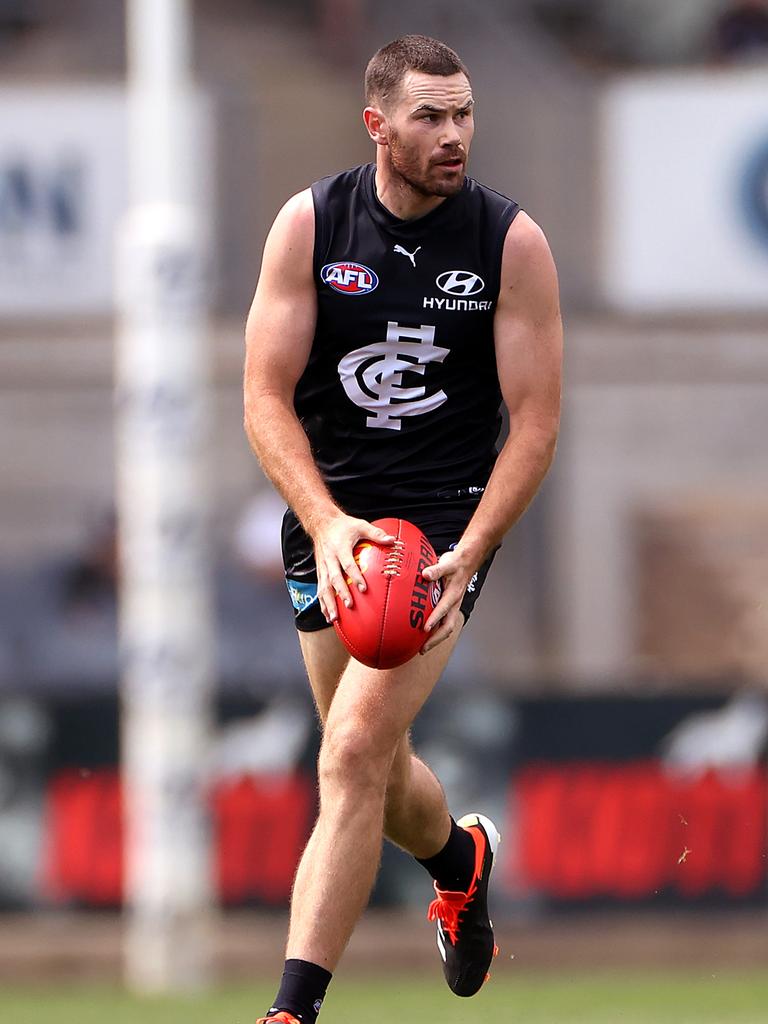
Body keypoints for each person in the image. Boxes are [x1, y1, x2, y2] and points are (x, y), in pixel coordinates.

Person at [243, 34, 562, 1024]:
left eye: (464, 114)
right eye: (430, 116)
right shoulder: (310, 225)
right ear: (378, 125)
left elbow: (537, 422)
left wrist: (471, 549)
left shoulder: (510, 243)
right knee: (377, 773)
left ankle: (293, 1010)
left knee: (346, 755)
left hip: (439, 529)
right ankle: (460, 858)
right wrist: (325, 521)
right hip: (333, 523)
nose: (454, 135)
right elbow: (261, 397)